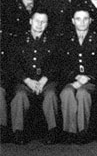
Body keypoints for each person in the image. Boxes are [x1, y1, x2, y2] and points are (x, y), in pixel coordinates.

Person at [10, 10, 60, 145]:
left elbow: (57, 64)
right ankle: (18, 132)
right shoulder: (19, 40)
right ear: (30, 21)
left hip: (46, 81)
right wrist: (27, 80)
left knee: (50, 95)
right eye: (37, 21)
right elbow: (14, 64)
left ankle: (52, 131)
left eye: (43, 22)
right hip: (25, 81)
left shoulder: (53, 41)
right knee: (20, 95)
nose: (40, 24)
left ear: (47, 24)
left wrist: (44, 79)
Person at [59, 8, 97, 144]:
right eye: (78, 19)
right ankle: (70, 131)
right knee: (67, 92)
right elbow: (61, 64)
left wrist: (88, 77)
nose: (82, 22)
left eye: (85, 18)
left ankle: (82, 131)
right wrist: (76, 77)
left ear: (90, 20)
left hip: (91, 81)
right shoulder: (65, 39)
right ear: (73, 21)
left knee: (83, 93)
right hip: (72, 79)